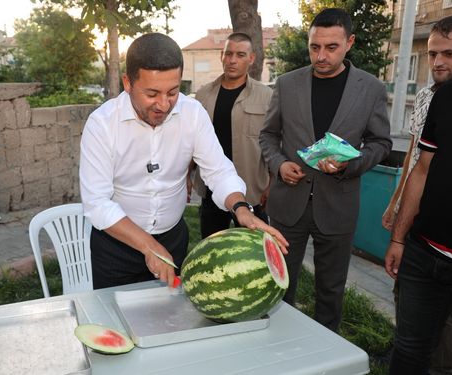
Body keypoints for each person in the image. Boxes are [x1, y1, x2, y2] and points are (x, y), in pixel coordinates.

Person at [79, 33, 288, 290]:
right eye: (152, 93)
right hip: (115, 249)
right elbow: (97, 203)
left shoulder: (192, 113)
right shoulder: (102, 124)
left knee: (170, 323)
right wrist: (149, 247)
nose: (164, 105)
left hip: (173, 241)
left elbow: (218, 170)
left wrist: (241, 208)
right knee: (118, 324)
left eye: (173, 92)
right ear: (127, 82)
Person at [259, 8, 391, 332]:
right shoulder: (287, 84)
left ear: (350, 43)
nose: (321, 56)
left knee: (331, 291)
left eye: (331, 47)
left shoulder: (370, 88)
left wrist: (352, 163)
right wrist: (279, 164)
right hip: (288, 204)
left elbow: (381, 142)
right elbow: (267, 135)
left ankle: (326, 354)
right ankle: (276, 347)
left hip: (338, 204)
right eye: (314, 47)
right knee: (278, 285)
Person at [384, 0, 452, 372]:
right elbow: (420, 169)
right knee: (408, 351)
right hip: (425, 257)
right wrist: (399, 238)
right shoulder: (448, 98)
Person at [189, 32, 273, 238]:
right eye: (228, 54)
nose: (233, 60)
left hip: (252, 190)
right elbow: (191, 140)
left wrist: (272, 185)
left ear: (251, 58)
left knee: (256, 251)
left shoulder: (267, 96)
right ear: (221, 56)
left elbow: (274, 141)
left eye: (240, 55)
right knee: (212, 248)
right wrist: (186, 176)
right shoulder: (203, 95)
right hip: (211, 190)